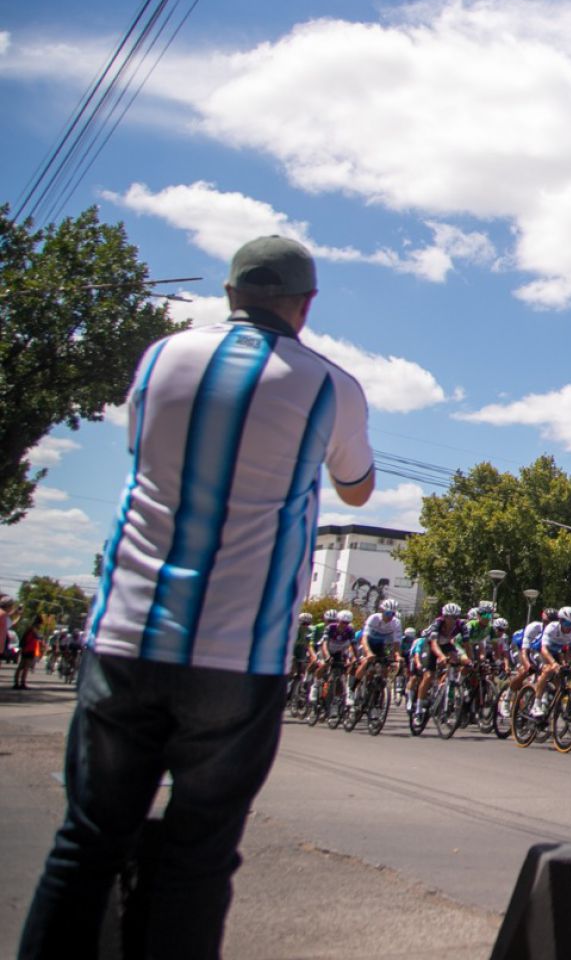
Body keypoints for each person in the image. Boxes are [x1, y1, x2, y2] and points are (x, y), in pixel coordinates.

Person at [22, 235, 374, 960]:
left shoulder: (160, 359)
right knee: (199, 851)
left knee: (85, 843)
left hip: (126, 631)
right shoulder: (327, 385)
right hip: (236, 652)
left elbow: (142, 451)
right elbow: (357, 487)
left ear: (230, 294)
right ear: (304, 305)